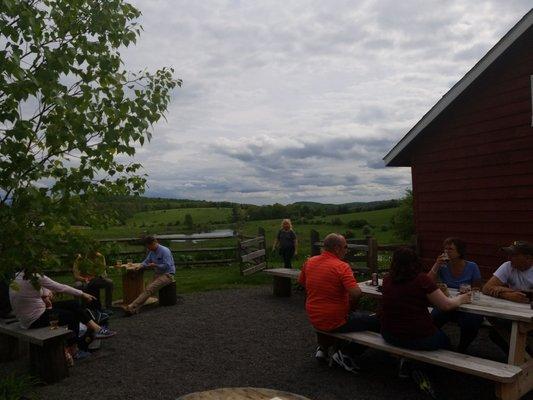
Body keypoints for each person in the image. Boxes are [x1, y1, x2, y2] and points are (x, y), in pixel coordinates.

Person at [298, 233, 380, 372]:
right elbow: (356, 293)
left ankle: (323, 348)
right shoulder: (341, 266)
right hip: (335, 320)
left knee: (350, 315)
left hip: (314, 317)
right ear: (337, 248)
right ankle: (345, 353)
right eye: (345, 247)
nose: (346, 250)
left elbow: (302, 283)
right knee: (377, 321)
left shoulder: (309, 262)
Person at [9, 270, 116, 362]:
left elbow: (43, 287)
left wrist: (46, 293)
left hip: (27, 317)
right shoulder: (35, 276)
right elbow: (60, 287)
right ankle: (74, 350)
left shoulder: (19, 275)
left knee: (73, 304)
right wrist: (82, 294)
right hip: (34, 319)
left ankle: (96, 329)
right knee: (71, 316)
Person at [381, 247, 471, 351]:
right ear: (415, 262)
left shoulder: (387, 280)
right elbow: (446, 305)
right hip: (416, 336)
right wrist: (462, 298)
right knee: (445, 341)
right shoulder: (421, 280)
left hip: (389, 334)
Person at [427, 237, 483, 352]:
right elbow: (426, 282)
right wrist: (436, 265)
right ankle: (441, 342)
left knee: (471, 323)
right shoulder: (443, 266)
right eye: (445, 249)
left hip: (467, 304)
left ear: (460, 251)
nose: (446, 251)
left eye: (450, 249)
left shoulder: (472, 266)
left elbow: (477, 288)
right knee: (431, 320)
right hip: (447, 303)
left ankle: (462, 348)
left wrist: (468, 291)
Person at [482, 241, 533, 355]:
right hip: (514, 312)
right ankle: (522, 357)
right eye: (509, 254)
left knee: (507, 330)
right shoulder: (508, 266)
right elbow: (486, 288)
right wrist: (507, 294)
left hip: (529, 315)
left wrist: (504, 289)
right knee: (496, 332)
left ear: (528, 258)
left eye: (514, 255)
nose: (509, 258)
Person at [123, 236, 176, 315]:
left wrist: (155, 265)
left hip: (167, 274)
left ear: (154, 243)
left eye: (148, 246)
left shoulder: (165, 251)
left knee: (149, 289)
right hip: (158, 274)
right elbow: (146, 261)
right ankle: (134, 309)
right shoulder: (152, 251)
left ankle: (131, 306)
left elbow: (167, 266)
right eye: (147, 247)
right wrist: (140, 266)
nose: (148, 248)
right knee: (147, 290)